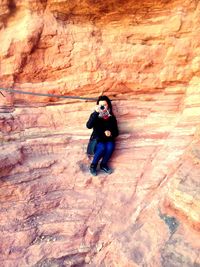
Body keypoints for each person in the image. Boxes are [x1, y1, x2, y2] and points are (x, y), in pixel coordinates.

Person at [86, 95, 119, 176]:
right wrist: (95, 113)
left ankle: (103, 165)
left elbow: (116, 132)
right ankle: (93, 166)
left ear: (108, 106)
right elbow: (88, 126)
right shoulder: (95, 115)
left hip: (108, 139)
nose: (102, 107)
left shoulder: (111, 117)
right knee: (102, 148)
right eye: (100, 105)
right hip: (98, 139)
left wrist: (111, 133)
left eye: (104, 105)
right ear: (98, 106)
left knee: (110, 147)